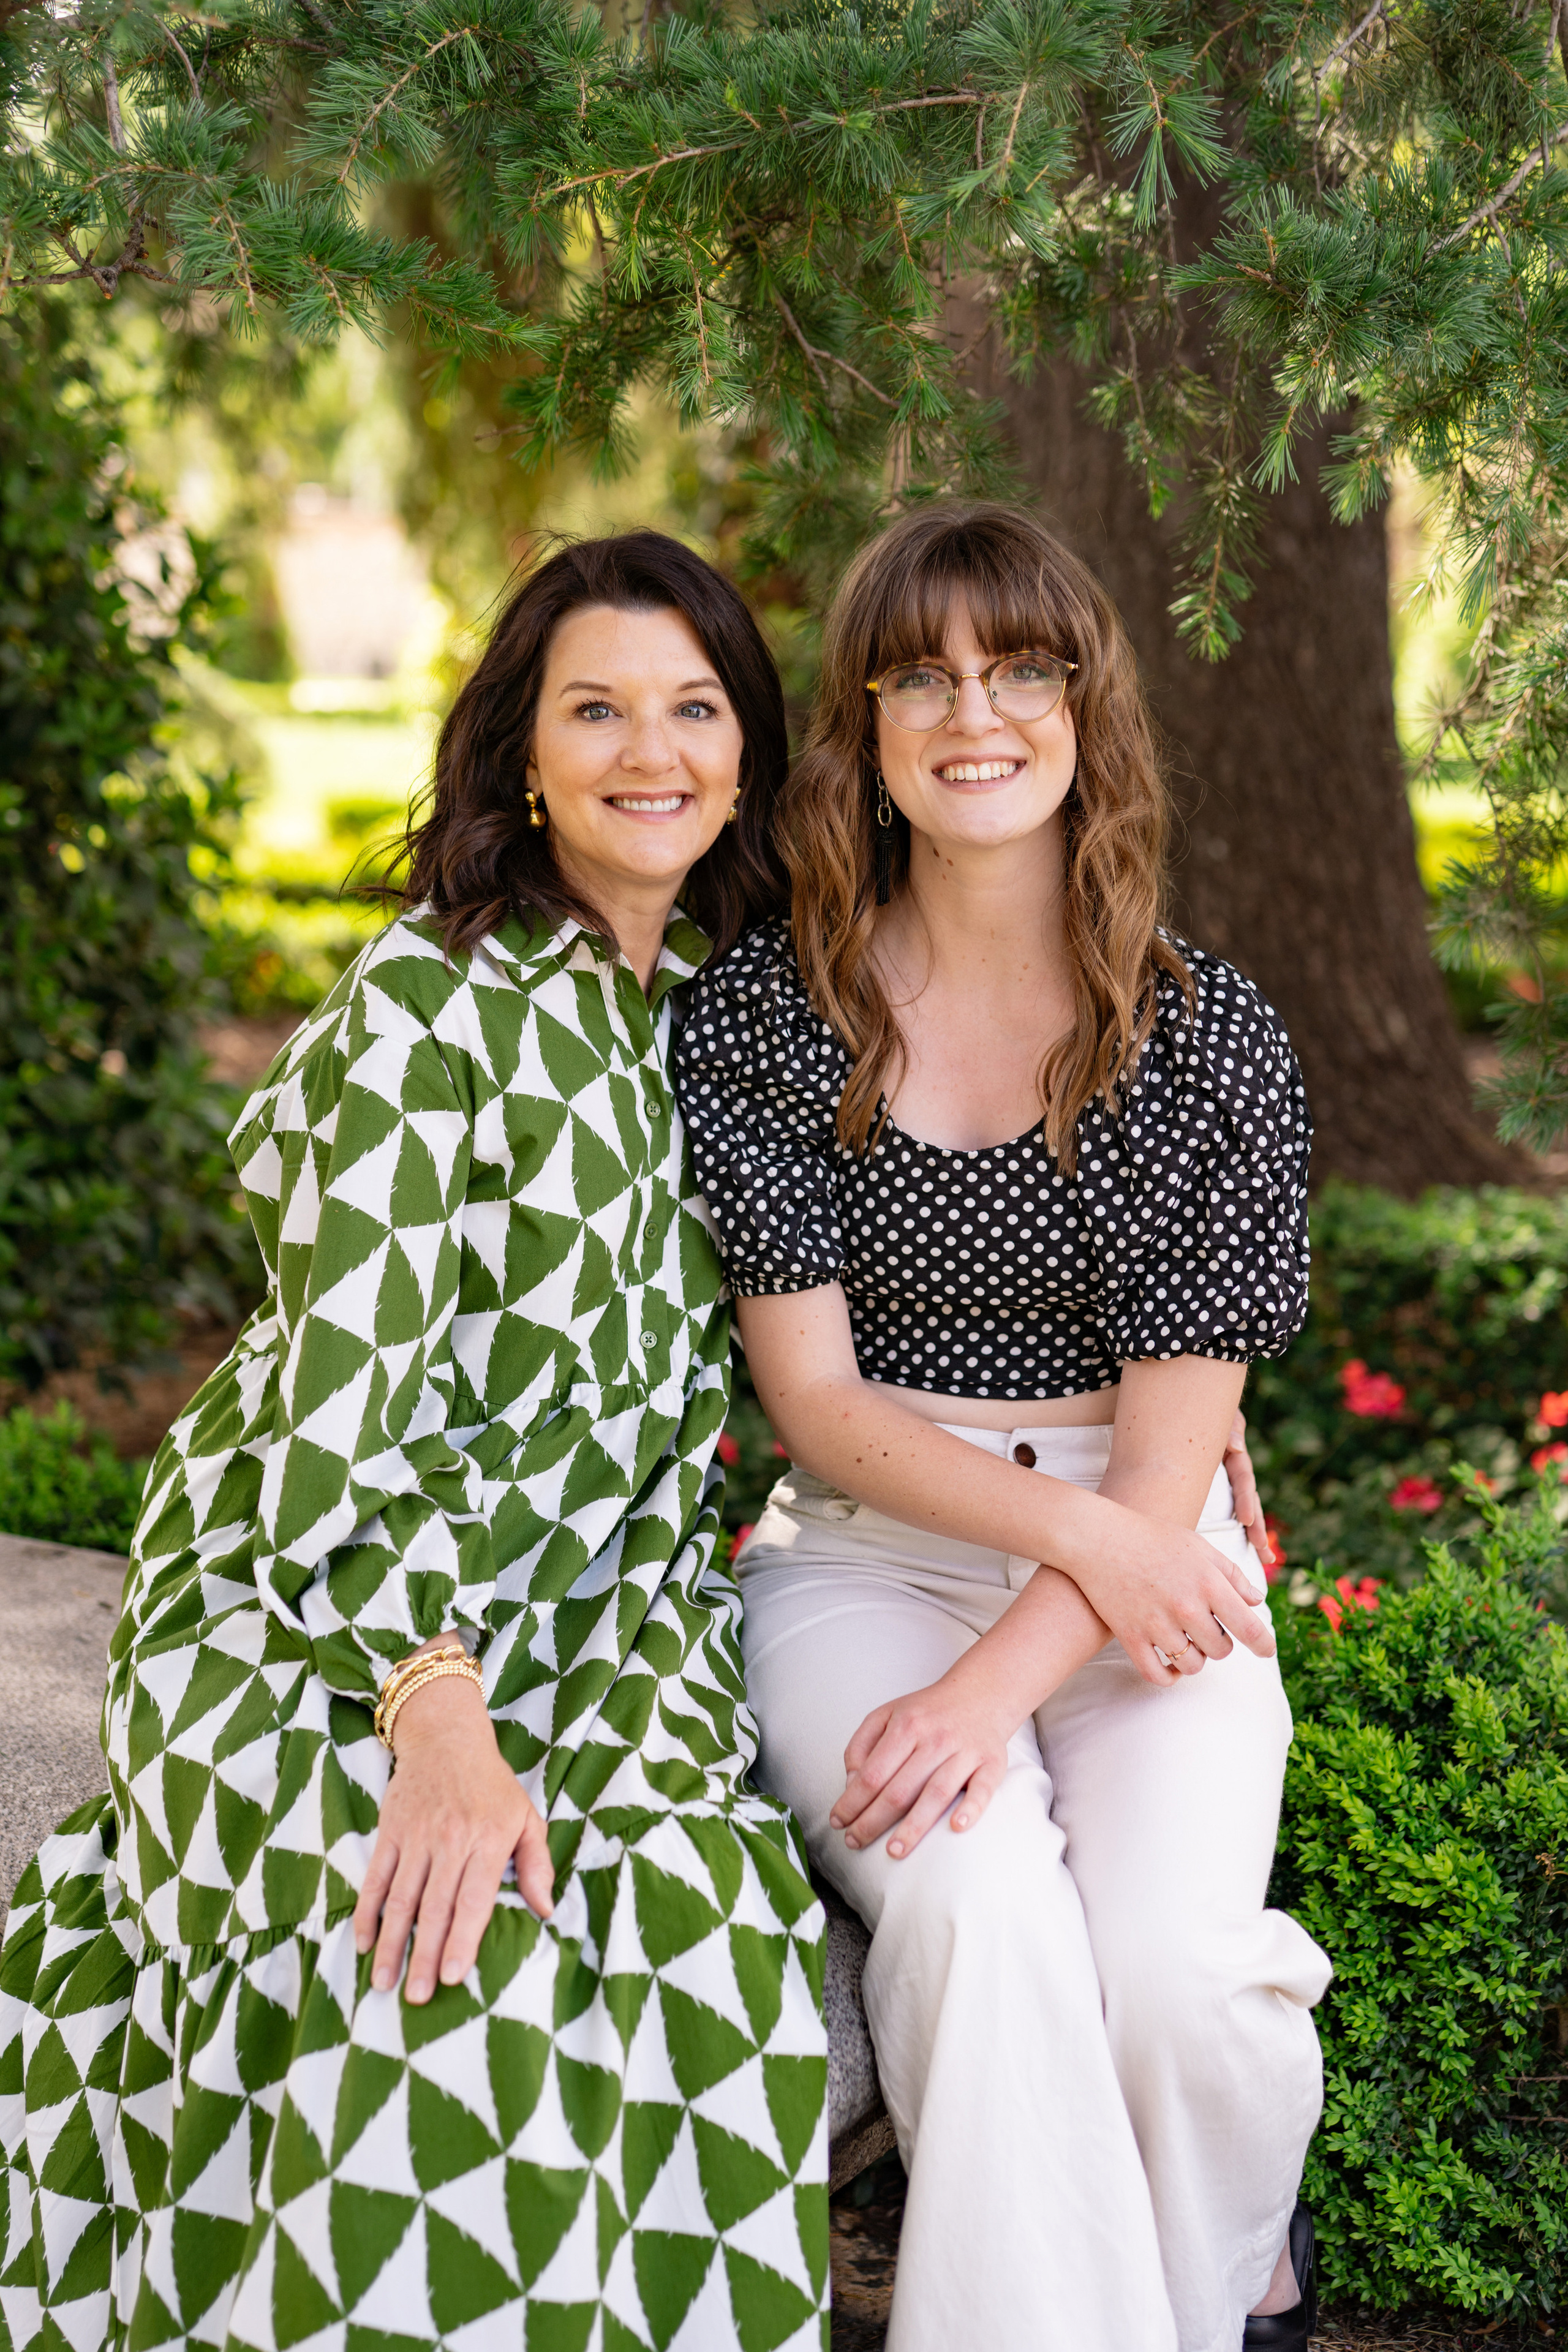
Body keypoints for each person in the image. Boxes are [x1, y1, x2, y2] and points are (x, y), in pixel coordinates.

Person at [0, 533, 832, 2352]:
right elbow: (327, 1439)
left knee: (707, 1943)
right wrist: (439, 1721)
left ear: (748, 752)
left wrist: (1144, 1426)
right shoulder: (423, 1010)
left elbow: (855, 1310)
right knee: (449, 1976)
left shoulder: (710, 1024)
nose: (651, 750)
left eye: (695, 708)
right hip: (315, 1613)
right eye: (595, 707)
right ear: (521, 754)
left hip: (602, 1617)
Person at [674, 502, 1333, 2352]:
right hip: (869, 1567)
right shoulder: (774, 1013)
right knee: (980, 1924)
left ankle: (1234, 2277)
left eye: (1022, 667)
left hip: (1142, 1568)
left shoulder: (1214, 1038)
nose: (976, 712)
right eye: (923, 676)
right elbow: (816, 1405)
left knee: (1177, 1983)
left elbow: (1164, 1458)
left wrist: (1026, 1657)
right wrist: (1102, 1555)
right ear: (868, 730)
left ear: (1084, 705)